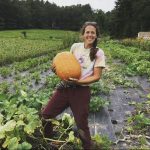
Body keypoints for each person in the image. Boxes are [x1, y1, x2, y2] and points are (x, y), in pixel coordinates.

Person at [41, 21, 105, 149]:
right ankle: (49, 138)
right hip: (65, 88)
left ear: (96, 35)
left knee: (81, 123)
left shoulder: (98, 52)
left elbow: (97, 77)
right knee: (46, 115)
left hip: (81, 91)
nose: (90, 35)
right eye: (87, 32)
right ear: (83, 34)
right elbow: (66, 65)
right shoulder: (75, 47)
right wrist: (57, 70)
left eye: (93, 32)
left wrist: (77, 82)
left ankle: (87, 146)